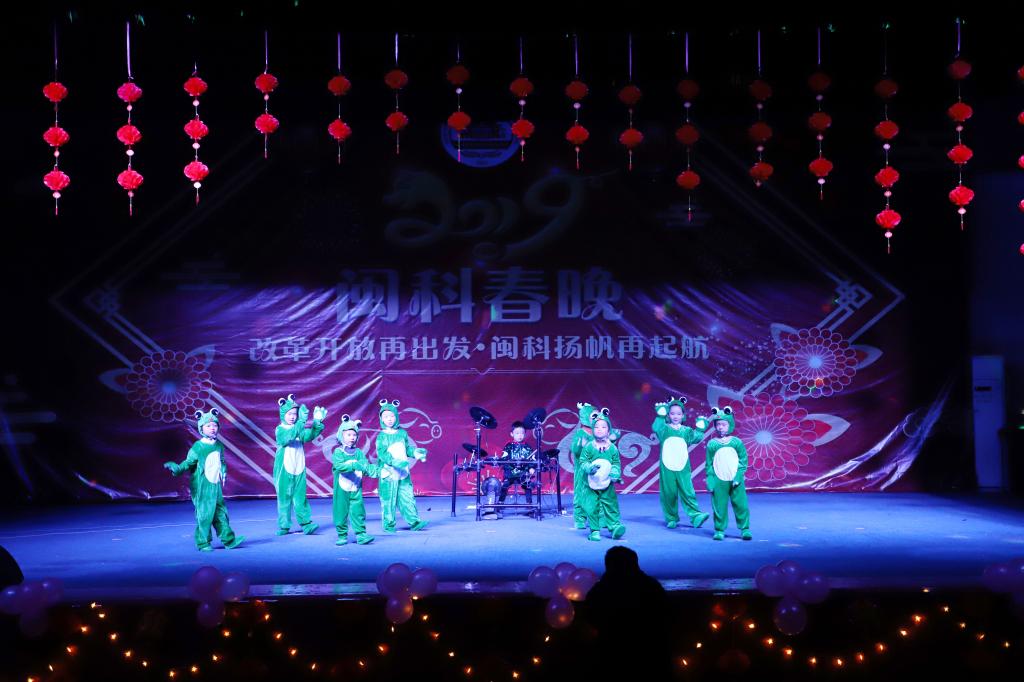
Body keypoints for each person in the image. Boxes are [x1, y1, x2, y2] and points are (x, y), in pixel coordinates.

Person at [164, 409, 245, 552]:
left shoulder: (219, 445)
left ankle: (229, 540)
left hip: (215, 486)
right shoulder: (198, 447)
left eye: (215, 425)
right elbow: (188, 463)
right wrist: (177, 468)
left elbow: (221, 461)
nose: (212, 428)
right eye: (208, 426)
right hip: (202, 487)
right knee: (205, 515)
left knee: (221, 514)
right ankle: (203, 543)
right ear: (201, 428)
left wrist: (223, 471)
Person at [651, 396, 710, 529]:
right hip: (667, 467)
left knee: (688, 491)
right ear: (668, 415)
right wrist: (660, 416)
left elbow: (696, 437)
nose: (675, 416)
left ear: (683, 415)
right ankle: (671, 518)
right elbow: (656, 427)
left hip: (683, 466)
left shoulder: (686, 431)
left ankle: (695, 516)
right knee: (669, 493)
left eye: (678, 413)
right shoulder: (664, 429)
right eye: (672, 413)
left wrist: (700, 428)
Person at [274, 394, 326, 535]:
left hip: (299, 467)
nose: (292, 417)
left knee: (300, 497)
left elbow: (309, 436)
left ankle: (306, 524)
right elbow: (286, 438)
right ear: (283, 414)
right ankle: (284, 526)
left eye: (295, 414)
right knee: (284, 497)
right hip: (284, 469)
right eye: (289, 414)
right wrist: (301, 421)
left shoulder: (298, 428)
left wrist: (316, 423)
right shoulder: (280, 429)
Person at [375, 399, 429, 533]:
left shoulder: (402, 433)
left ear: (396, 416)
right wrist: (393, 462)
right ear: (381, 419)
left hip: (403, 473)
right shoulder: (381, 436)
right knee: (388, 499)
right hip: (388, 473)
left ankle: (414, 522)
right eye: (386, 417)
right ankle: (388, 525)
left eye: (392, 416)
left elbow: (407, 449)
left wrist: (415, 453)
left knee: (407, 497)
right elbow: (382, 453)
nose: (389, 419)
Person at [703, 406, 752, 541]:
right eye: (718, 424)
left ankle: (745, 529)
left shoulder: (736, 442)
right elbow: (709, 464)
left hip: (735, 479)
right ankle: (719, 530)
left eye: (724, 424)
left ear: (730, 425)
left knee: (741, 505)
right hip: (719, 480)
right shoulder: (712, 444)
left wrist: (738, 475)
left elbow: (743, 461)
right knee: (719, 506)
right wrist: (710, 478)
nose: (721, 427)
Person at [576, 411, 626, 541]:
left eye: (603, 427)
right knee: (592, 507)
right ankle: (594, 531)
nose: (599, 429)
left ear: (608, 431)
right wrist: (589, 468)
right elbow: (583, 461)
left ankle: (615, 527)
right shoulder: (589, 447)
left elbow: (616, 463)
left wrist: (615, 472)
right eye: (597, 427)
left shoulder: (612, 448)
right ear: (593, 430)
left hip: (607, 483)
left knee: (611, 505)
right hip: (591, 484)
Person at [331, 414, 379, 545]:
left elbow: (365, 467)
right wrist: (354, 465)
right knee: (341, 511)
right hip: (342, 489)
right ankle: (342, 535)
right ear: (341, 435)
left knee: (358, 510)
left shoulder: (358, 453)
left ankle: (361, 534)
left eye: (354, 435)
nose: (352, 437)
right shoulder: (338, 452)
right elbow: (339, 466)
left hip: (356, 488)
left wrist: (378, 472)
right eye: (349, 435)